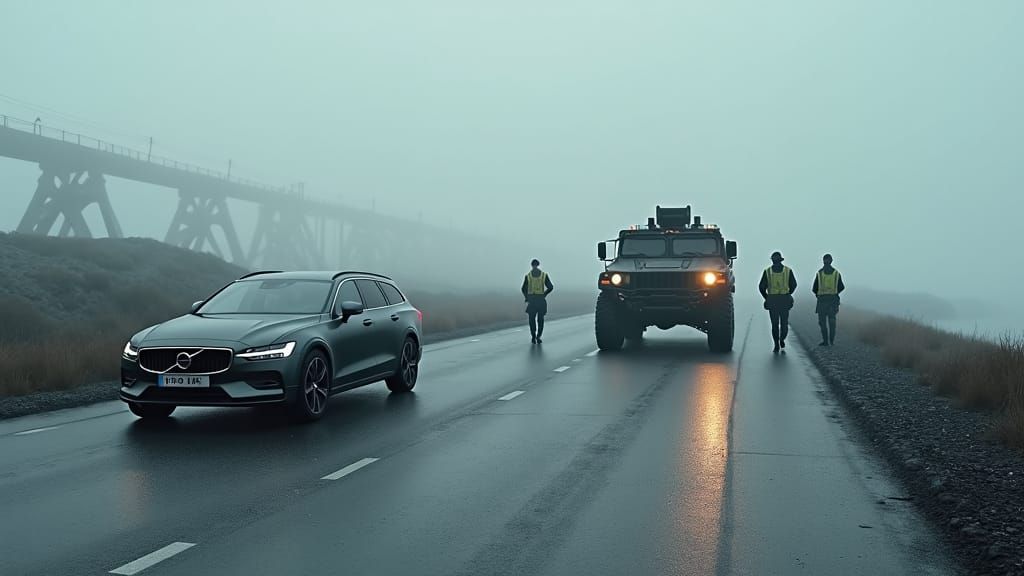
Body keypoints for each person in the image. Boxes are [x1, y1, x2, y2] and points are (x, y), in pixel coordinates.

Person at [758, 251, 797, 353]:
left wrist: (766, 297)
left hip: (777, 300)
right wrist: (788, 294)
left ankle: (780, 340)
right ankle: (777, 344)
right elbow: (793, 285)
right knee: (778, 324)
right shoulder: (769, 272)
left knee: (780, 324)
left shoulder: (785, 271)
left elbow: (761, 287)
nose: (776, 262)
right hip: (779, 300)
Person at [812, 253, 845, 346]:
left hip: (822, 301)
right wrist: (835, 292)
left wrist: (818, 295)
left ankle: (825, 341)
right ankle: (831, 341)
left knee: (822, 322)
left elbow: (814, 288)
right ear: (831, 261)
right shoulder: (836, 273)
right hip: (833, 300)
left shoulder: (819, 273)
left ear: (823, 261)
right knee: (832, 321)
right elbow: (842, 287)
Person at [521, 259, 554, 343]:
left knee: (532, 320)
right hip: (540, 300)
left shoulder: (528, 276)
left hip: (532, 301)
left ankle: (534, 336)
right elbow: (550, 287)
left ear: (532, 265)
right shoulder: (543, 275)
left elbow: (523, 289)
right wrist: (544, 294)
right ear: (537, 265)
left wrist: (527, 297)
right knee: (540, 320)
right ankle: (538, 336)